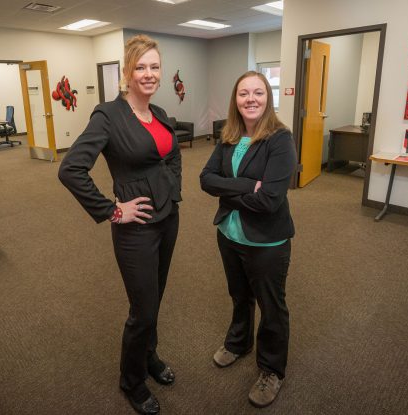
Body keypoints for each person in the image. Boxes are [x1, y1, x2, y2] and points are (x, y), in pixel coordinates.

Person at [58, 34, 181, 415]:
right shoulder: (108, 115)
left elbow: (171, 157)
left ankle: (149, 356)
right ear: (127, 73)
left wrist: (172, 189)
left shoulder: (159, 114)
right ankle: (132, 381)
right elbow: (71, 169)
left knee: (155, 297)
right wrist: (113, 210)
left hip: (167, 218)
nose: (149, 74)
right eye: (141, 67)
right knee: (142, 308)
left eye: (155, 66)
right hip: (135, 227)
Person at [200, 71, 297, 409]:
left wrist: (226, 193)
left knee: (272, 307)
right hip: (229, 233)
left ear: (267, 98)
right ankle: (239, 343)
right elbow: (205, 179)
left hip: (267, 243)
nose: (250, 99)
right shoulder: (228, 136)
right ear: (235, 99)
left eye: (258, 92)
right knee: (240, 295)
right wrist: (245, 187)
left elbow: (270, 200)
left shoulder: (280, 139)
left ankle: (272, 369)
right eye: (244, 93)